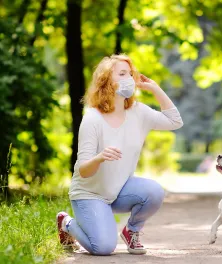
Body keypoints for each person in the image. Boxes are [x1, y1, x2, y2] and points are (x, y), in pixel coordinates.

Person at [56, 54, 183, 256]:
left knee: (155, 192)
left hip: (118, 189)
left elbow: (175, 122)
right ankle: (67, 223)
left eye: (130, 74)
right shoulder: (92, 119)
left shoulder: (138, 111)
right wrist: (99, 158)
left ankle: (131, 231)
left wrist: (155, 89)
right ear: (106, 80)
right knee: (104, 248)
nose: (129, 79)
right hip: (89, 194)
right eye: (122, 74)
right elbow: (83, 170)